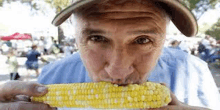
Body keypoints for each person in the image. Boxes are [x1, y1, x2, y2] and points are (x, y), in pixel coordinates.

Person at [0, 0, 219, 110]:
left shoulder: (194, 73)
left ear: (165, 35)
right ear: (75, 35)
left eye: (142, 40)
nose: (117, 72)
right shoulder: (50, 77)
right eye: (97, 38)